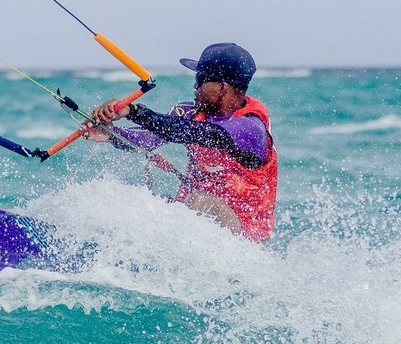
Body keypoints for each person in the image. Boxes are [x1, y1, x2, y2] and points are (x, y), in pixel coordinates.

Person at [85, 43, 278, 242]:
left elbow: (197, 133)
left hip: (243, 239)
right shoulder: (191, 112)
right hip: (196, 219)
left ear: (221, 87)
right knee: (147, 205)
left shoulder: (251, 128)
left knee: (200, 201)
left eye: (200, 79)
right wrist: (110, 134)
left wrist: (134, 112)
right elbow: (149, 139)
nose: (195, 87)